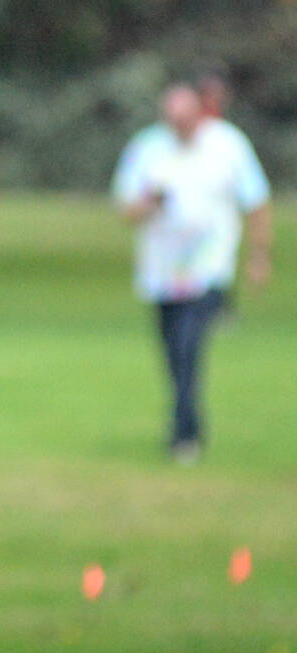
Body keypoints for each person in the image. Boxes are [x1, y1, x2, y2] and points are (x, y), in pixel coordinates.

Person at [112, 82, 272, 462]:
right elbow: (126, 210)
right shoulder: (147, 148)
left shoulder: (228, 146)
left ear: (199, 113)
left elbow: (256, 201)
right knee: (172, 352)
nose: (178, 125)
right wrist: (149, 203)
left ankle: (184, 435)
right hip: (161, 271)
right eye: (171, 119)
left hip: (210, 267)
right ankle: (186, 422)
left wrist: (259, 256)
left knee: (188, 347)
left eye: (184, 118)